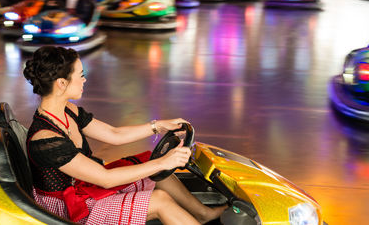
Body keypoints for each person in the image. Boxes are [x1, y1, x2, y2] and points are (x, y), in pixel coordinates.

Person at [23, 46, 227, 224]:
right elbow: (105, 179)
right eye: (80, 75)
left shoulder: (68, 111)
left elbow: (114, 134)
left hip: (85, 189)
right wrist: (163, 162)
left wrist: (158, 126)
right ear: (61, 83)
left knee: (151, 169)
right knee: (160, 200)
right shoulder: (45, 139)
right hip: (70, 210)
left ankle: (202, 214)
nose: (84, 80)